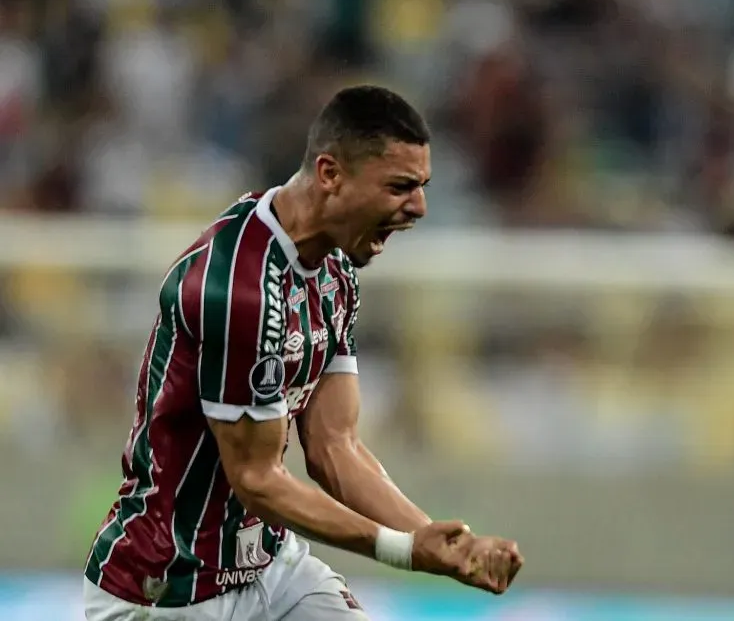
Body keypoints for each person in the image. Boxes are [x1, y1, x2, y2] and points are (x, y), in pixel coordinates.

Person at [82, 85, 523, 620]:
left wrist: (442, 544)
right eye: (400, 187)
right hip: (167, 591)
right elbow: (257, 480)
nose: (419, 207)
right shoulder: (237, 287)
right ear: (330, 174)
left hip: (270, 568)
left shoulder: (335, 273)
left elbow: (335, 447)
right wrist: (403, 551)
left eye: (422, 186)